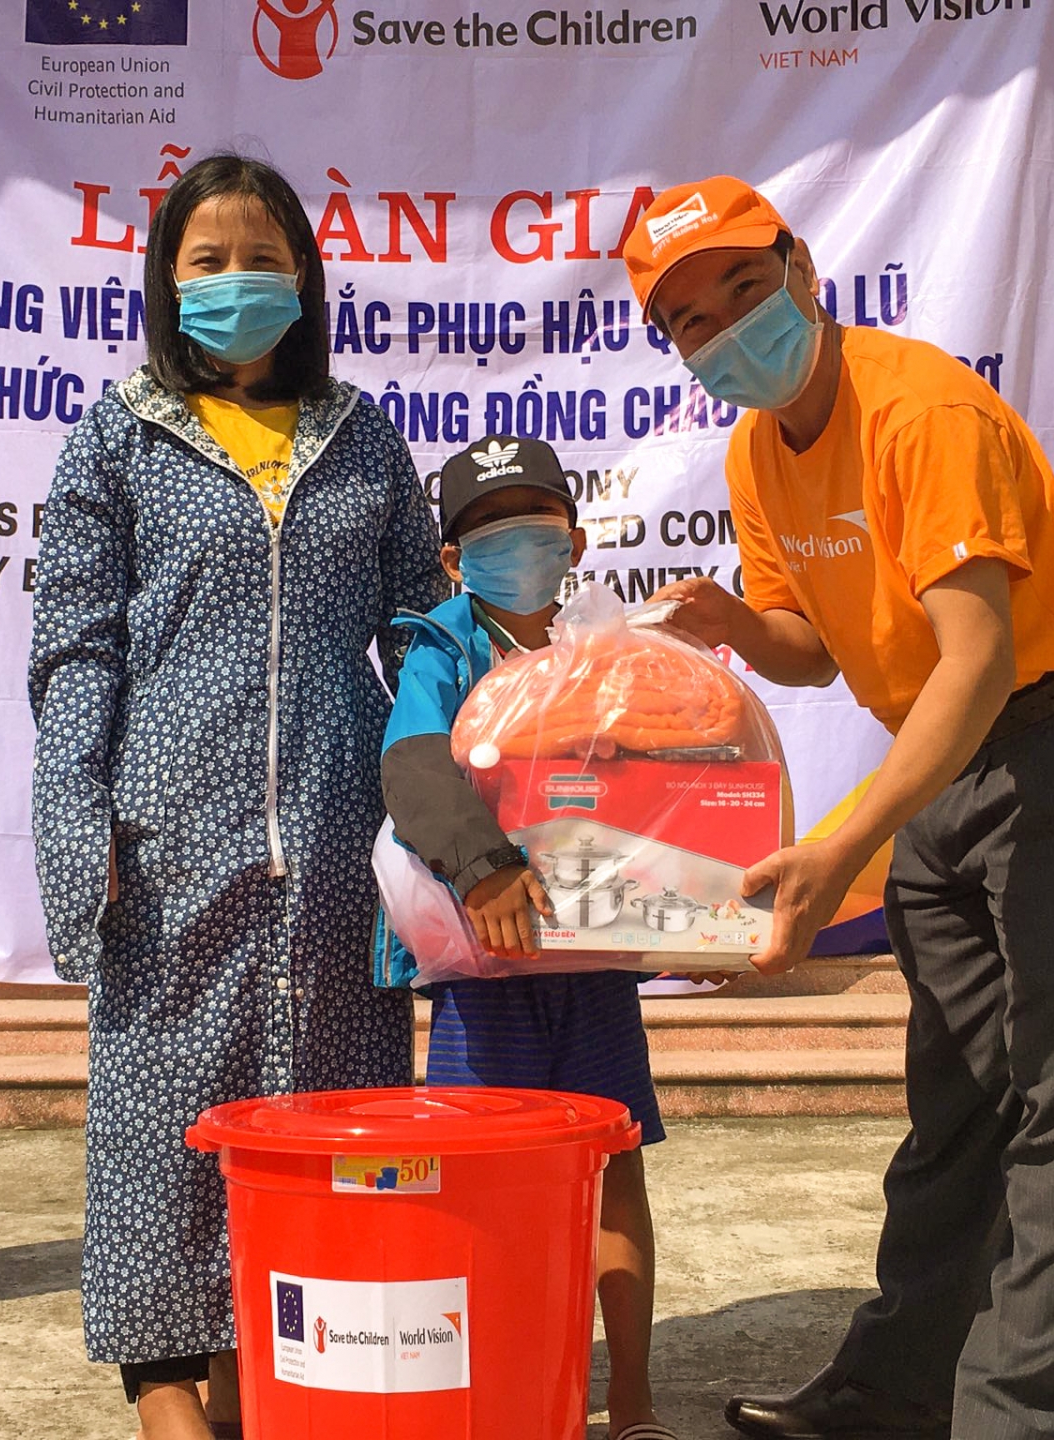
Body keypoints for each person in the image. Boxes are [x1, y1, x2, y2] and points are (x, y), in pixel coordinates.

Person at [622, 177, 1054, 1440]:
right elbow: (815, 648)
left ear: (803, 268)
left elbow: (974, 660)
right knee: (957, 1096)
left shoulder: (919, 410)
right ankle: (896, 1390)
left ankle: (1014, 1419)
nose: (728, 328)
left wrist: (843, 844)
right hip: (942, 761)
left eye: (745, 289)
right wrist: (739, 628)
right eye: (693, 320)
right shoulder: (759, 447)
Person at [27, 153, 445, 1440]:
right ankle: (168, 1388)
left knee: (324, 1128)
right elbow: (74, 645)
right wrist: (77, 815)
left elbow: (426, 626)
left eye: (261, 258)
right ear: (165, 282)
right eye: (205, 261)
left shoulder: (361, 432)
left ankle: (288, 1376)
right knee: (166, 1123)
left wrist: (449, 794)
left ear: (305, 279)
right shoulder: (118, 434)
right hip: (168, 842)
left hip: (334, 847)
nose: (234, 283)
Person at [377, 435, 677, 1440]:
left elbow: (673, 784)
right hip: (486, 969)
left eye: (538, 529)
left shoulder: (614, 649)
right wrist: (484, 864)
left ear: (576, 539)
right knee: (486, 1187)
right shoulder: (441, 648)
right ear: (455, 560)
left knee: (614, 1170)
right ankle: (504, 1396)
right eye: (488, 535)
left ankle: (630, 1402)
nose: (518, 550)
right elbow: (416, 766)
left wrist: (699, 904)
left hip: (592, 967)